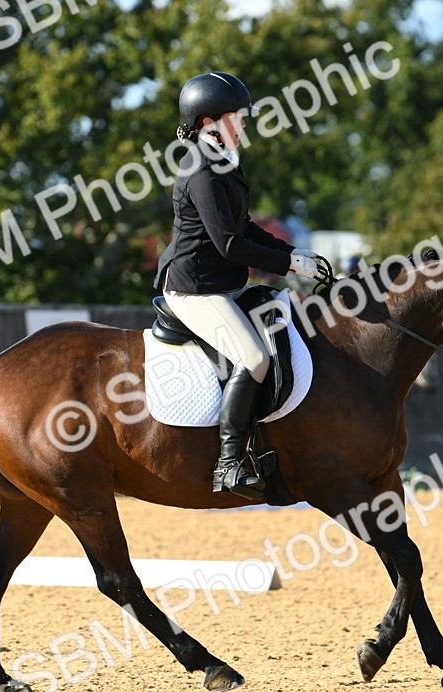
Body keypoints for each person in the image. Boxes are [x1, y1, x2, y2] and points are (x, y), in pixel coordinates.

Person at [154, 72, 324, 501]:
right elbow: (229, 244)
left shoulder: (222, 158)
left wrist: (294, 254)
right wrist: (290, 264)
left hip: (224, 283)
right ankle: (229, 464)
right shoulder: (201, 170)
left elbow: (243, 226)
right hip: (197, 289)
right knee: (253, 357)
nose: (245, 123)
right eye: (239, 116)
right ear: (210, 121)